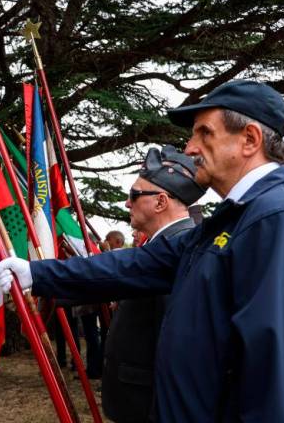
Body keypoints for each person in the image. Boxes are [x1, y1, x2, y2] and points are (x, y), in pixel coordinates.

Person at [0, 80, 284, 420]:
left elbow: (278, 370)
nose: (189, 148)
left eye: (204, 133)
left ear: (249, 140)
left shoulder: (278, 218)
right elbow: (135, 265)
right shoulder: (233, 218)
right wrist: (35, 272)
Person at [102, 146, 203, 422]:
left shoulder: (178, 248)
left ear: (160, 202)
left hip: (148, 405)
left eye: (134, 195)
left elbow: (177, 351)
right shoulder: (164, 242)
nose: (126, 203)